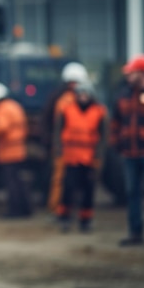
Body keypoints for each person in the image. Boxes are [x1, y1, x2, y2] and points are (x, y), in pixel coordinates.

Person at [53, 80, 108, 233]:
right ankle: (64, 218)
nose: (83, 97)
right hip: (71, 158)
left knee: (88, 190)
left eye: (86, 94)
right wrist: (59, 151)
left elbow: (103, 138)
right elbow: (58, 132)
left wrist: (99, 157)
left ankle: (86, 220)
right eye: (80, 94)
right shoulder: (67, 110)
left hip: (90, 159)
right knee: (68, 189)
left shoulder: (99, 112)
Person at [111, 53, 144, 246]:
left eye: (131, 72)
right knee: (132, 193)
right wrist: (117, 143)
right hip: (130, 154)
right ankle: (135, 233)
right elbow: (116, 123)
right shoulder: (123, 96)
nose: (128, 76)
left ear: (142, 72)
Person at [42, 62, 90, 212]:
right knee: (60, 179)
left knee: (80, 181)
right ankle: (59, 209)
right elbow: (51, 123)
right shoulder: (60, 99)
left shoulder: (84, 100)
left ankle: (74, 209)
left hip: (81, 149)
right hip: (64, 148)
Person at [0, 82, 32, 218]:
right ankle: (26, 209)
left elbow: (2, 127)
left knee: (12, 183)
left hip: (8, 151)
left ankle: (15, 211)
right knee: (19, 181)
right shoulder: (14, 105)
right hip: (18, 150)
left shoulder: (2, 108)